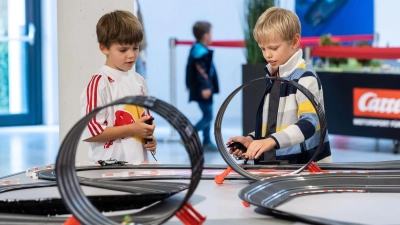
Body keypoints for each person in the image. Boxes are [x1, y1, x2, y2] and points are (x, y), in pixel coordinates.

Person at [227, 7, 332, 164]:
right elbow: (276, 127)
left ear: (295, 41)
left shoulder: (305, 77)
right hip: (280, 168)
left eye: (274, 48)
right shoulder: (274, 76)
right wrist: (252, 140)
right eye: (263, 48)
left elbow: (309, 124)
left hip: (306, 169)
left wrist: (269, 141)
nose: (267, 54)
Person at [80, 10, 157, 163]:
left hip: (139, 167)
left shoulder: (139, 80)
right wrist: (132, 129)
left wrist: (149, 138)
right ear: (104, 48)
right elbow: (90, 132)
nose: (131, 55)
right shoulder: (100, 83)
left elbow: (143, 121)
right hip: (108, 170)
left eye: (135, 48)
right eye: (123, 50)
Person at [185, 21, 220, 151]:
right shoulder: (200, 52)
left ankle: (206, 140)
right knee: (208, 115)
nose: (212, 36)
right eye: (210, 33)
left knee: (208, 113)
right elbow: (201, 71)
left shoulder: (198, 50)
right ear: (205, 35)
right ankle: (189, 135)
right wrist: (206, 86)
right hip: (203, 89)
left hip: (204, 88)